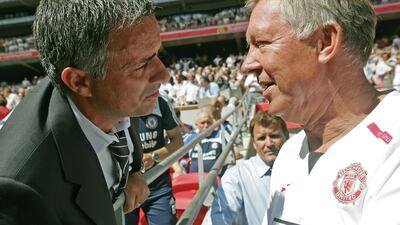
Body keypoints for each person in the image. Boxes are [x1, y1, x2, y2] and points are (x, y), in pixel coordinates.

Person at [0, 0, 169, 224]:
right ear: (80, 82)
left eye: (157, 54)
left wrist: (133, 170)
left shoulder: (108, 94)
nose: (164, 75)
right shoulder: (23, 190)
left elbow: (119, 116)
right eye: (140, 65)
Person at [241, 0, 400, 224]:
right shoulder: (289, 152)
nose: (247, 64)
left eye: (262, 43)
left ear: (325, 42)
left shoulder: (393, 146)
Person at [211, 111, 289, 225]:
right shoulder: (236, 176)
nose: (269, 143)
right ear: (253, 143)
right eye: (262, 138)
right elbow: (220, 217)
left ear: (286, 137)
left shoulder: (305, 168)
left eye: (274, 136)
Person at [125, 95, 183, 225]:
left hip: (158, 185)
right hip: (125, 187)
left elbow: (178, 141)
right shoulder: (117, 98)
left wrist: (154, 156)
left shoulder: (160, 101)